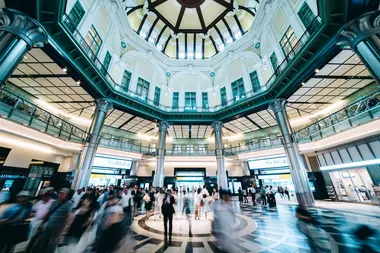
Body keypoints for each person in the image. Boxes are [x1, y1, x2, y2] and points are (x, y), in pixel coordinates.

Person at [26, 188, 73, 253]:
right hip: (48, 225)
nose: (60, 195)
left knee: (51, 244)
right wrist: (42, 223)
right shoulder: (55, 202)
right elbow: (49, 213)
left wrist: (62, 230)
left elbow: (66, 217)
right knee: (42, 242)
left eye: (63, 194)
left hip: (57, 227)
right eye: (60, 193)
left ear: (67, 195)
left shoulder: (68, 203)